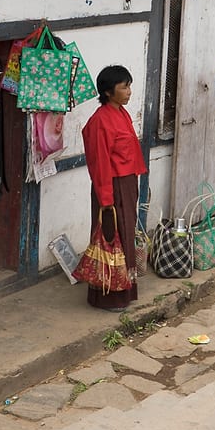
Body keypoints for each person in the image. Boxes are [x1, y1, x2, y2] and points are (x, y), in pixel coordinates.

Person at [80, 65, 148, 311]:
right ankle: (108, 297)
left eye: (129, 86)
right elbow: (99, 162)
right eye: (124, 87)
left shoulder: (121, 113)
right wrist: (106, 199)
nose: (129, 92)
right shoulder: (100, 120)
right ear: (108, 92)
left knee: (125, 237)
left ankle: (124, 290)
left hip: (127, 183)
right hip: (111, 186)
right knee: (111, 238)